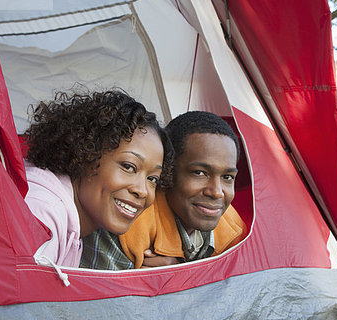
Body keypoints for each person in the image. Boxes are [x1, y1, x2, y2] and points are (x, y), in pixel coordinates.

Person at [23, 89, 173, 268]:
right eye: (128, 167)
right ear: (85, 153)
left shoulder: (71, 220)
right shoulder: (44, 216)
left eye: (153, 179)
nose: (142, 190)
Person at [80, 111, 247, 270]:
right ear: (167, 172)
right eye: (199, 173)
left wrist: (176, 281)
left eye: (227, 177)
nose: (217, 192)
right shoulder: (123, 224)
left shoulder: (235, 231)